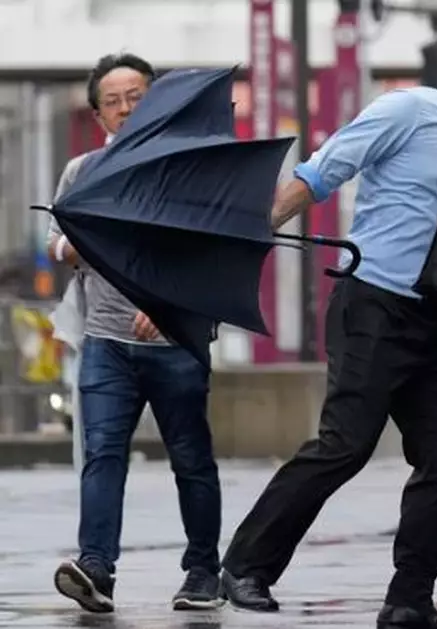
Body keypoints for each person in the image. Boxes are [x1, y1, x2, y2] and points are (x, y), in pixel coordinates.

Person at [218, 10, 437, 629]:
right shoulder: (406, 111)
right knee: (345, 445)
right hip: (375, 305)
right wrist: (249, 237)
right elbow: (323, 169)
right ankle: (246, 566)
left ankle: (409, 600)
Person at [47, 53, 223, 613]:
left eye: (136, 97)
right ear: (99, 114)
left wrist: (172, 305)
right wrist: (76, 240)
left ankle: (202, 573)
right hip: (105, 342)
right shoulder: (82, 172)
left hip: (176, 344)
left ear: (156, 101)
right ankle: (96, 567)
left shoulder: (191, 169)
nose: (125, 109)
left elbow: (216, 251)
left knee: (191, 458)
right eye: (113, 101)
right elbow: (56, 243)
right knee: (102, 454)